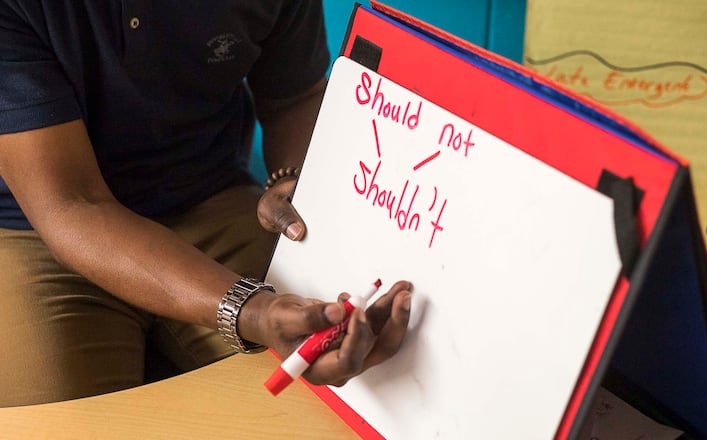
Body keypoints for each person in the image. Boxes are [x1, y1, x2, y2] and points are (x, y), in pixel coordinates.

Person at [0, 0, 412, 406]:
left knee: (362, 383)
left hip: (212, 199)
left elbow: (294, 95)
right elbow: (72, 203)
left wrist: (293, 179)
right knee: (59, 423)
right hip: (36, 226)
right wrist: (251, 312)